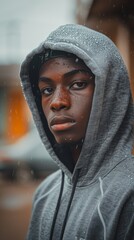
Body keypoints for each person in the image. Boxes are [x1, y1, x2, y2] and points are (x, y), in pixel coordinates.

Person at [20, 24, 134, 240]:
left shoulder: (128, 193)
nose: (57, 102)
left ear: (109, 93)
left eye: (78, 84)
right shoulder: (45, 193)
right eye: (47, 90)